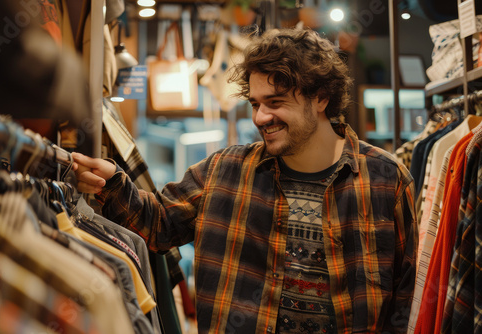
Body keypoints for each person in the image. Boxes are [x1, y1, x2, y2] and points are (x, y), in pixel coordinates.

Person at [72, 28, 418, 333]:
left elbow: (407, 296)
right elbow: (158, 225)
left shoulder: (386, 179)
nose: (260, 117)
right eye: (255, 103)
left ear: (321, 98)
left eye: (275, 102)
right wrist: (113, 182)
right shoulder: (224, 170)